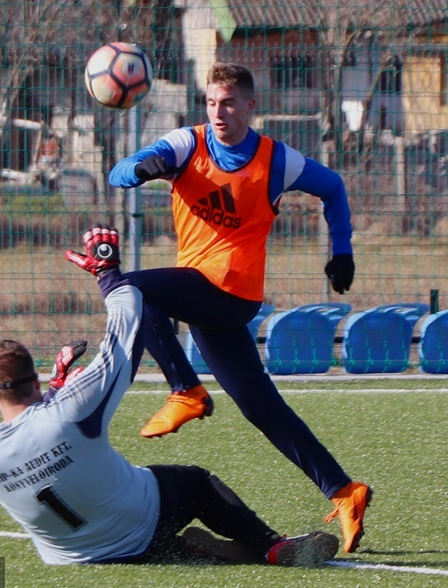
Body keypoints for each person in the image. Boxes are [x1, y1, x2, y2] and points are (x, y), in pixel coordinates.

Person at [0, 226, 339, 567]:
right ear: (36, 382)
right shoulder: (69, 412)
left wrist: (57, 391)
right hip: (134, 525)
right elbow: (122, 342)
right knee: (195, 483)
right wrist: (109, 273)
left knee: (107, 492)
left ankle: (181, 549)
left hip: (71, 557)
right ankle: (269, 546)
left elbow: (29, 432)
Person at [108, 62, 370, 552]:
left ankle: (185, 390)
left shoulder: (277, 160)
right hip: (208, 295)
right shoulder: (188, 144)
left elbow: (332, 186)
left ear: (251, 106)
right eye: (211, 102)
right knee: (261, 407)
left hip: (230, 290)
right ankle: (345, 490)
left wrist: (342, 251)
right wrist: (142, 167)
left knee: (128, 288)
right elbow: (120, 171)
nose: (219, 111)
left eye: (228, 102)